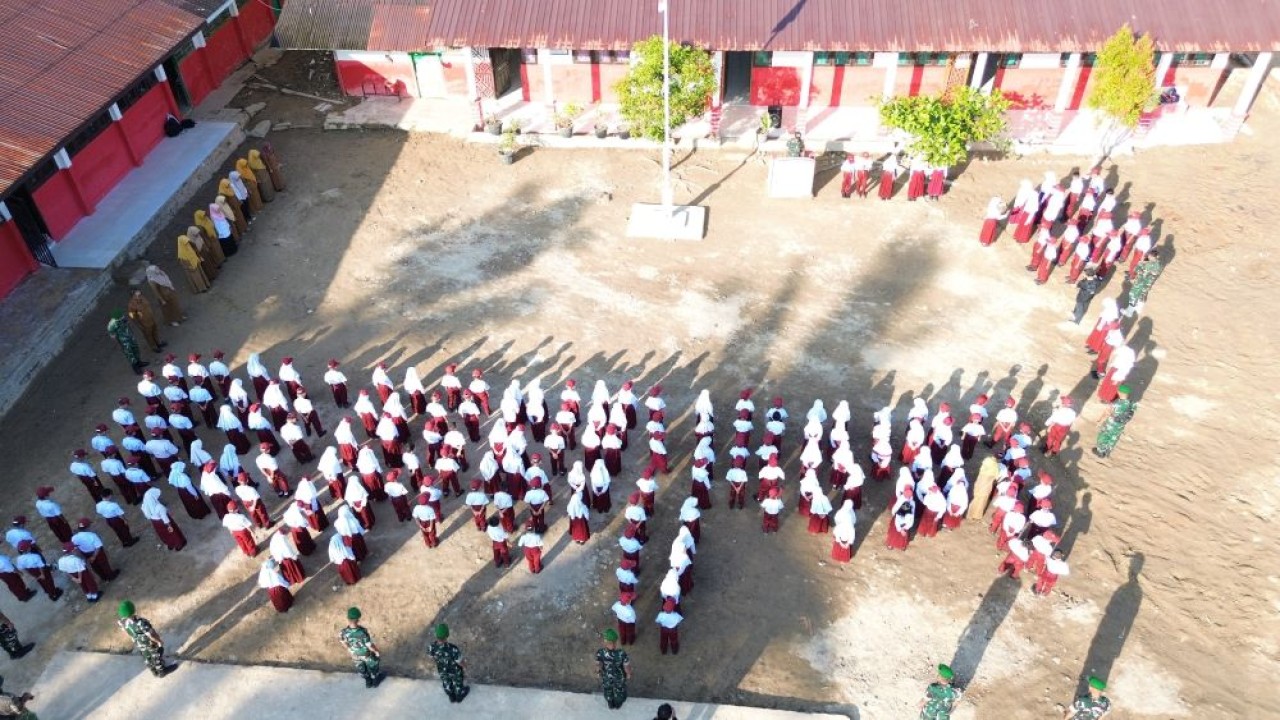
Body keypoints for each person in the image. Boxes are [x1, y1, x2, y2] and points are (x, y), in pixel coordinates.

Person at [117, 600, 177, 677]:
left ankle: (154, 672)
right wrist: (159, 641)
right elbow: (150, 635)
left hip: (140, 644)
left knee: (147, 658)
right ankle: (162, 671)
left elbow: (128, 632)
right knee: (157, 655)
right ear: (133, 609)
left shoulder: (125, 624)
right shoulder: (141, 623)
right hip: (149, 644)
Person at [340, 607, 384, 688]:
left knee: (362, 669)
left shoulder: (343, 632)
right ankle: (375, 681)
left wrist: (351, 650)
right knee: (373, 666)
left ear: (348, 618)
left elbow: (344, 643)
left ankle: (368, 681)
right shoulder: (363, 632)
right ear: (357, 619)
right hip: (366, 654)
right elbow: (369, 645)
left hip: (355, 655)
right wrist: (376, 652)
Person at [428, 623, 470, 702]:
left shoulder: (431, 647)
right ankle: (459, 696)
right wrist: (465, 666)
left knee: (446, 682)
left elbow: (431, 657)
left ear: (436, 635)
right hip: (455, 671)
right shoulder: (453, 649)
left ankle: (451, 695)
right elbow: (460, 662)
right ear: (447, 635)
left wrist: (439, 661)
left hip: (442, 670)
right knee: (457, 683)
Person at [1093, 385, 1136, 459]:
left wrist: (1100, 421)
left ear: (1120, 392)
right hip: (1120, 425)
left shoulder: (1117, 403)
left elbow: (1108, 413)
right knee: (1113, 437)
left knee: (1104, 436)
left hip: (1111, 424)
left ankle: (1100, 452)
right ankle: (1108, 451)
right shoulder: (1132, 403)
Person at [596, 629, 632, 709]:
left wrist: (598, 672)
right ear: (614, 642)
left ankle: (610, 703)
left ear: (605, 642)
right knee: (620, 691)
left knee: (608, 689)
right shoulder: (621, 653)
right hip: (619, 678)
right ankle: (618, 703)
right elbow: (627, 667)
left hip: (606, 677)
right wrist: (629, 674)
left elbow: (598, 664)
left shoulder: (600, 652)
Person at [1122, 248, 1162, 317]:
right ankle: (1138, 309)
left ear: (1154, 257)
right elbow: (1138, 268)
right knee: (1141, 295)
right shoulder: (1154, 263)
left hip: (1142, 282)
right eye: (1149, 256)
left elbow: (1148, 273)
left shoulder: (1153, 265)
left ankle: (1129, 312)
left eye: (1150, 256)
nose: (1149, 257)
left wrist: (1141, 269)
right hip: (1144, 283)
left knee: (1133, 294)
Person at [107, 309, 148, 374]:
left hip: (130, 337)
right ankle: (136, 368)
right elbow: (113, 336)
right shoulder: (111, 325)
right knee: (130, 354)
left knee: (136, 349)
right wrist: (120, 342)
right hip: (124, 341)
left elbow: (127, 324)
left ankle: (139, 362)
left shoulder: (122, 318)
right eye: (120, 317)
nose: (122, 317)